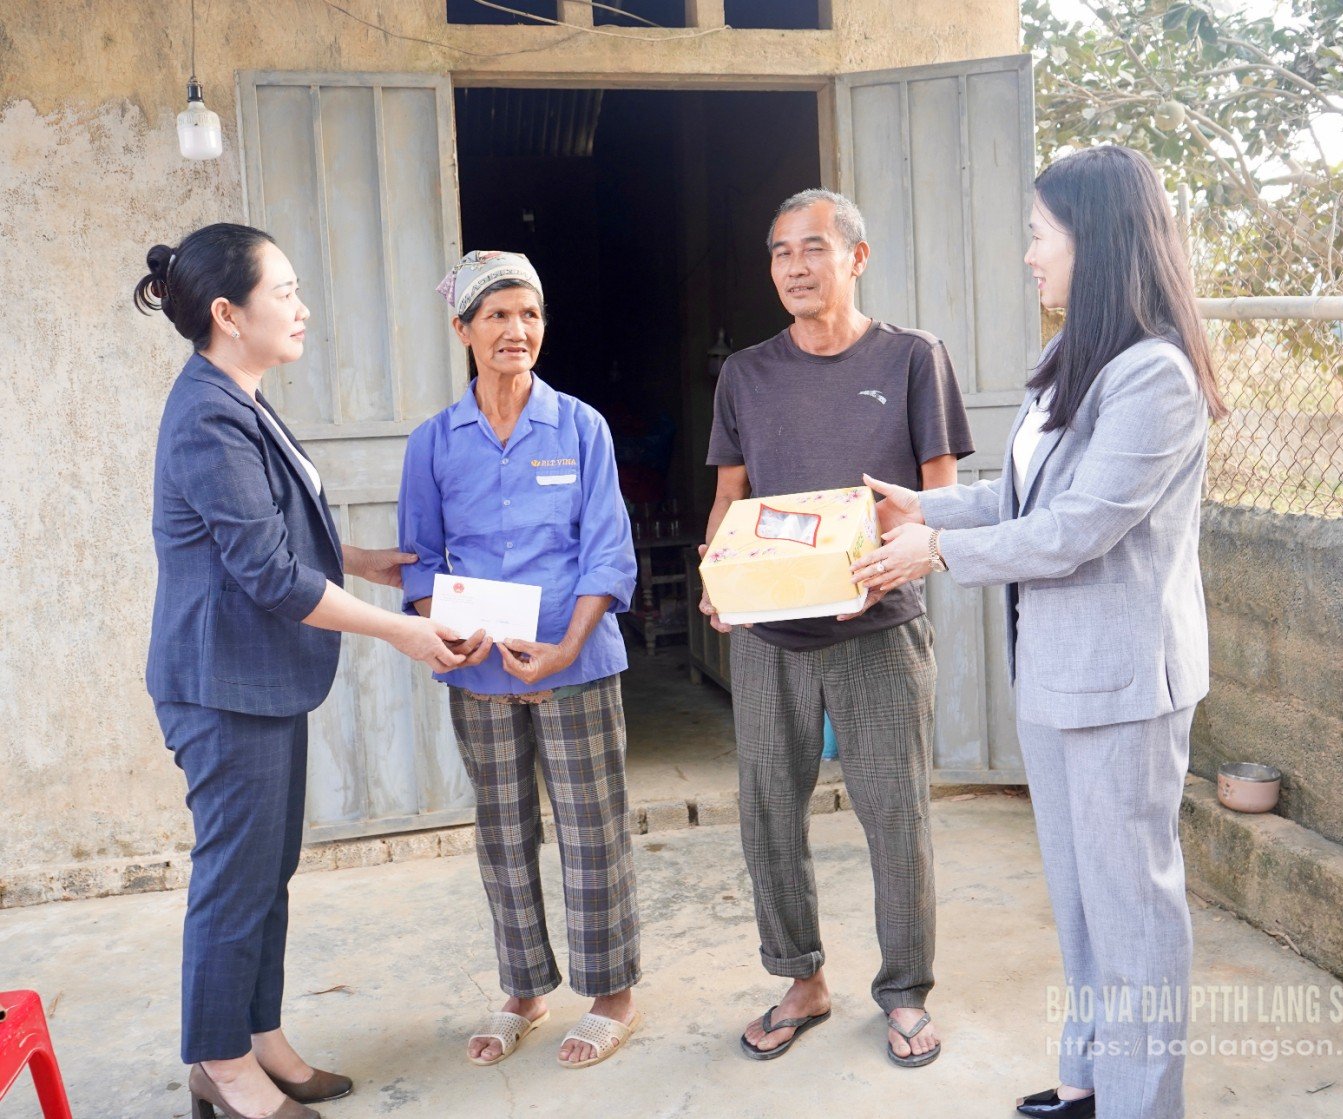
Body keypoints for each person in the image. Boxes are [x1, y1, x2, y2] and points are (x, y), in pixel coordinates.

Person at [856, 146, 1227, 1118]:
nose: (1027, 255)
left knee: (1132, 912)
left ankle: (1141, 1106)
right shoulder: (1069, 360)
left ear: (1093, 241)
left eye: (1038, 235)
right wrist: (925, 507)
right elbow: (1026, 497)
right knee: (1078, 900)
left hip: (1121, 686)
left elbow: (1077, 528)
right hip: (1056, 676)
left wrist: (935, 553)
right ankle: (1086, 1080)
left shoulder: (1154, 376)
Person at [135, 223, 471, 1119]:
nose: (302, 308)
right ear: (226, 312)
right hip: (220, 686)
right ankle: (219, 1063)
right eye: (283, 291)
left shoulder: (238, 397)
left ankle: (260, 1037)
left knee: (266, 869)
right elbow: (272, 575)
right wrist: (400, 632)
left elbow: (275, 531)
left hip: (256, 680)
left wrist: (362, 560)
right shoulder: (207, 414)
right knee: (234, 877)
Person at [699, 189, 975, 1067]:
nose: (794, 266)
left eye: (812, 247)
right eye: (780, 251)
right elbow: (729, 497)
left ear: (855, 257)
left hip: (878, 628)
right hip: (769, 635)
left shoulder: (912, 357)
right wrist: (716, 576)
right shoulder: (746, 373)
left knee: (895, 814)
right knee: (767, 813)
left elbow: (938, 495)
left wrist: (893, 562)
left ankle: (904, 990)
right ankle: (800, 979)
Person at [398, 251, 642, 1071]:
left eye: (529, 313)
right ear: (462, 328)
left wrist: (566, 645)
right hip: (478, 673)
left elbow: (606, 550)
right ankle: (524, 988)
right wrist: (444, 629)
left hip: (575, 664)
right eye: (497, 315)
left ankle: (611, 994)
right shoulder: (434, 442)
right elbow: (419, 559)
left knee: (592, 829)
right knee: (503, 834)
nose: (516, 329)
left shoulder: (579, 427)